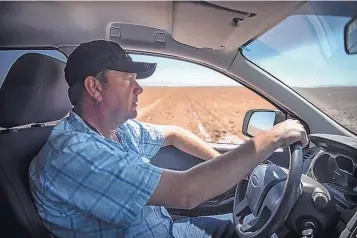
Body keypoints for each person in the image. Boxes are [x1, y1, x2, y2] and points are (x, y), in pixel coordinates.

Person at [29, 40, 308, 238]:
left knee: (253, 228)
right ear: (94, 87)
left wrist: (227, 165)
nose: (139, 88)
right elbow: (186, 193)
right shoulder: (74, 153)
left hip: (169, 230)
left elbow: (174, 133)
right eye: (128, 79)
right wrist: (272, 137)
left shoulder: (118, 130)